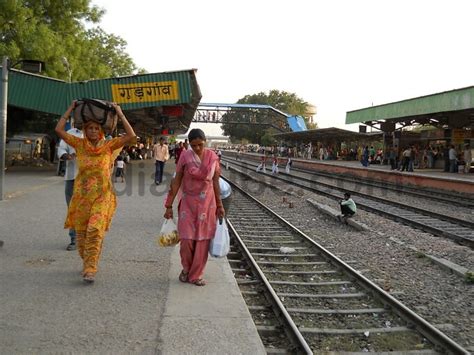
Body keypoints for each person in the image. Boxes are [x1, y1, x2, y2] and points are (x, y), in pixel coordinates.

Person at [55, 100, 136, 283]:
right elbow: (59, 130)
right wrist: (70, 108)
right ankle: (88, 261)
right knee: (82, 237)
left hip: (102, 196)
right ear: (85, 130)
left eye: (95, 128)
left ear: (100, 131)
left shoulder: (108, 146)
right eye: (89, 128)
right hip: (82, 197)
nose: (92, 131)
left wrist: (119, 112)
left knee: (94, 229)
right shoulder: (79, 144)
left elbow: (131, 136)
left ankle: (90, 268)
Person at [164, 128, 225, 287]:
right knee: (186, 240)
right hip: (188, 204)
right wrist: (168, 205)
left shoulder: (213, 157)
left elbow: (216, 183)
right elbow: (176, 181)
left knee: (202, 241)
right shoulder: (184, 156)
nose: (197, 148)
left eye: (200, 144)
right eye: (194, 145)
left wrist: (219, 205)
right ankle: (186, 269)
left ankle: (196, 275)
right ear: (189, 144)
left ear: (205, 142)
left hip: (207, 205)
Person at [57, 127, 83, 250]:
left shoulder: (97, 132)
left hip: (90, 178)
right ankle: (74, 239)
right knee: (72, 209)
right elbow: (62, 147)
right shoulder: (71, 133)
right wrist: (65, 155)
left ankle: (89, 238)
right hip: (71, 176)